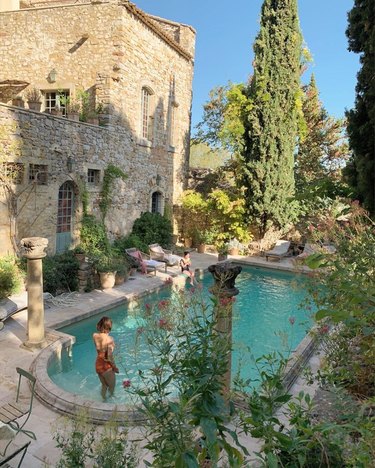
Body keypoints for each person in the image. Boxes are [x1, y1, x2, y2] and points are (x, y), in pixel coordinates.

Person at [93, 316, 119, 400]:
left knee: (104, 385)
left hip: (98, 365)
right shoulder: (110, 339)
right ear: (109, 327)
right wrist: (114, 367)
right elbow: (109, 356)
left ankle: (103, 400)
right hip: (106, 366)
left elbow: (100, 352)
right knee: (112, 387)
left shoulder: (95, 336)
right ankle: (111, 402)